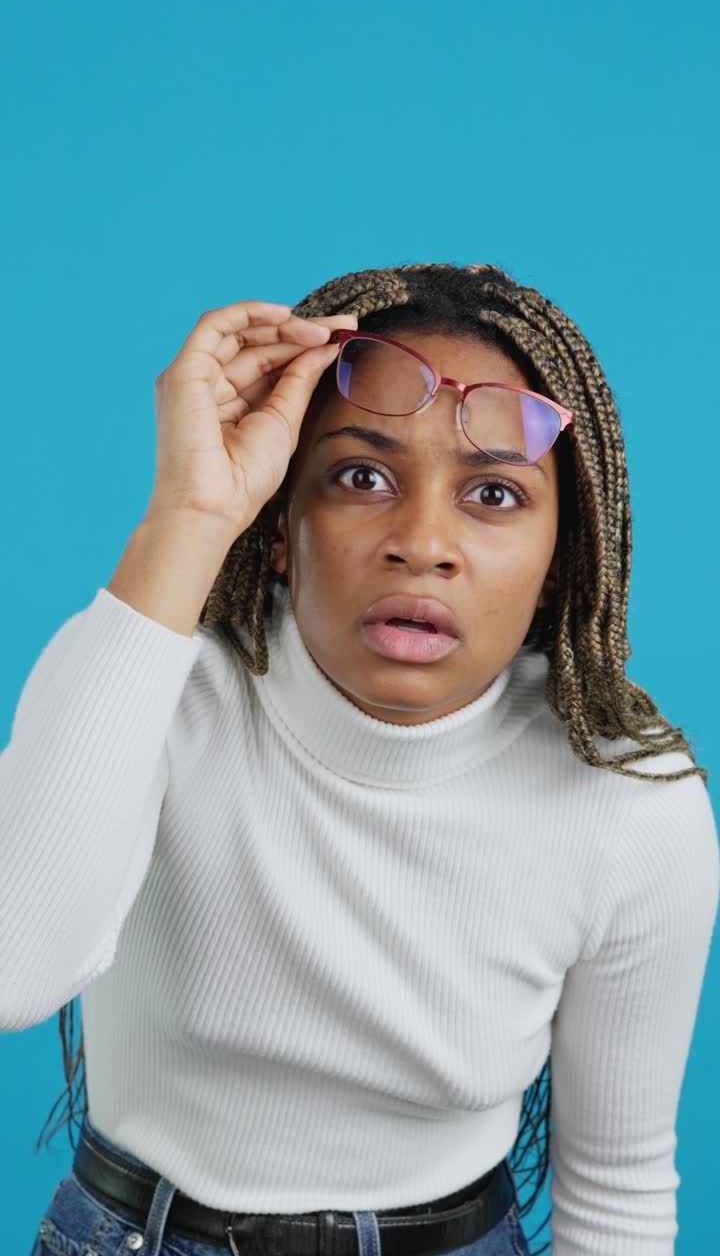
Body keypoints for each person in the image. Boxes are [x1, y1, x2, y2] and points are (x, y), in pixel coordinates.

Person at [2, 262, 717, 1256]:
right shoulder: (149, 686)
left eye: (496, 492)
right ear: (283, 525)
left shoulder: (628, 799)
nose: (423, 541)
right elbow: (11, 966)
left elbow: (619, 1193)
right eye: (362, 475)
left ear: (563, 555)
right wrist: (189, 519)